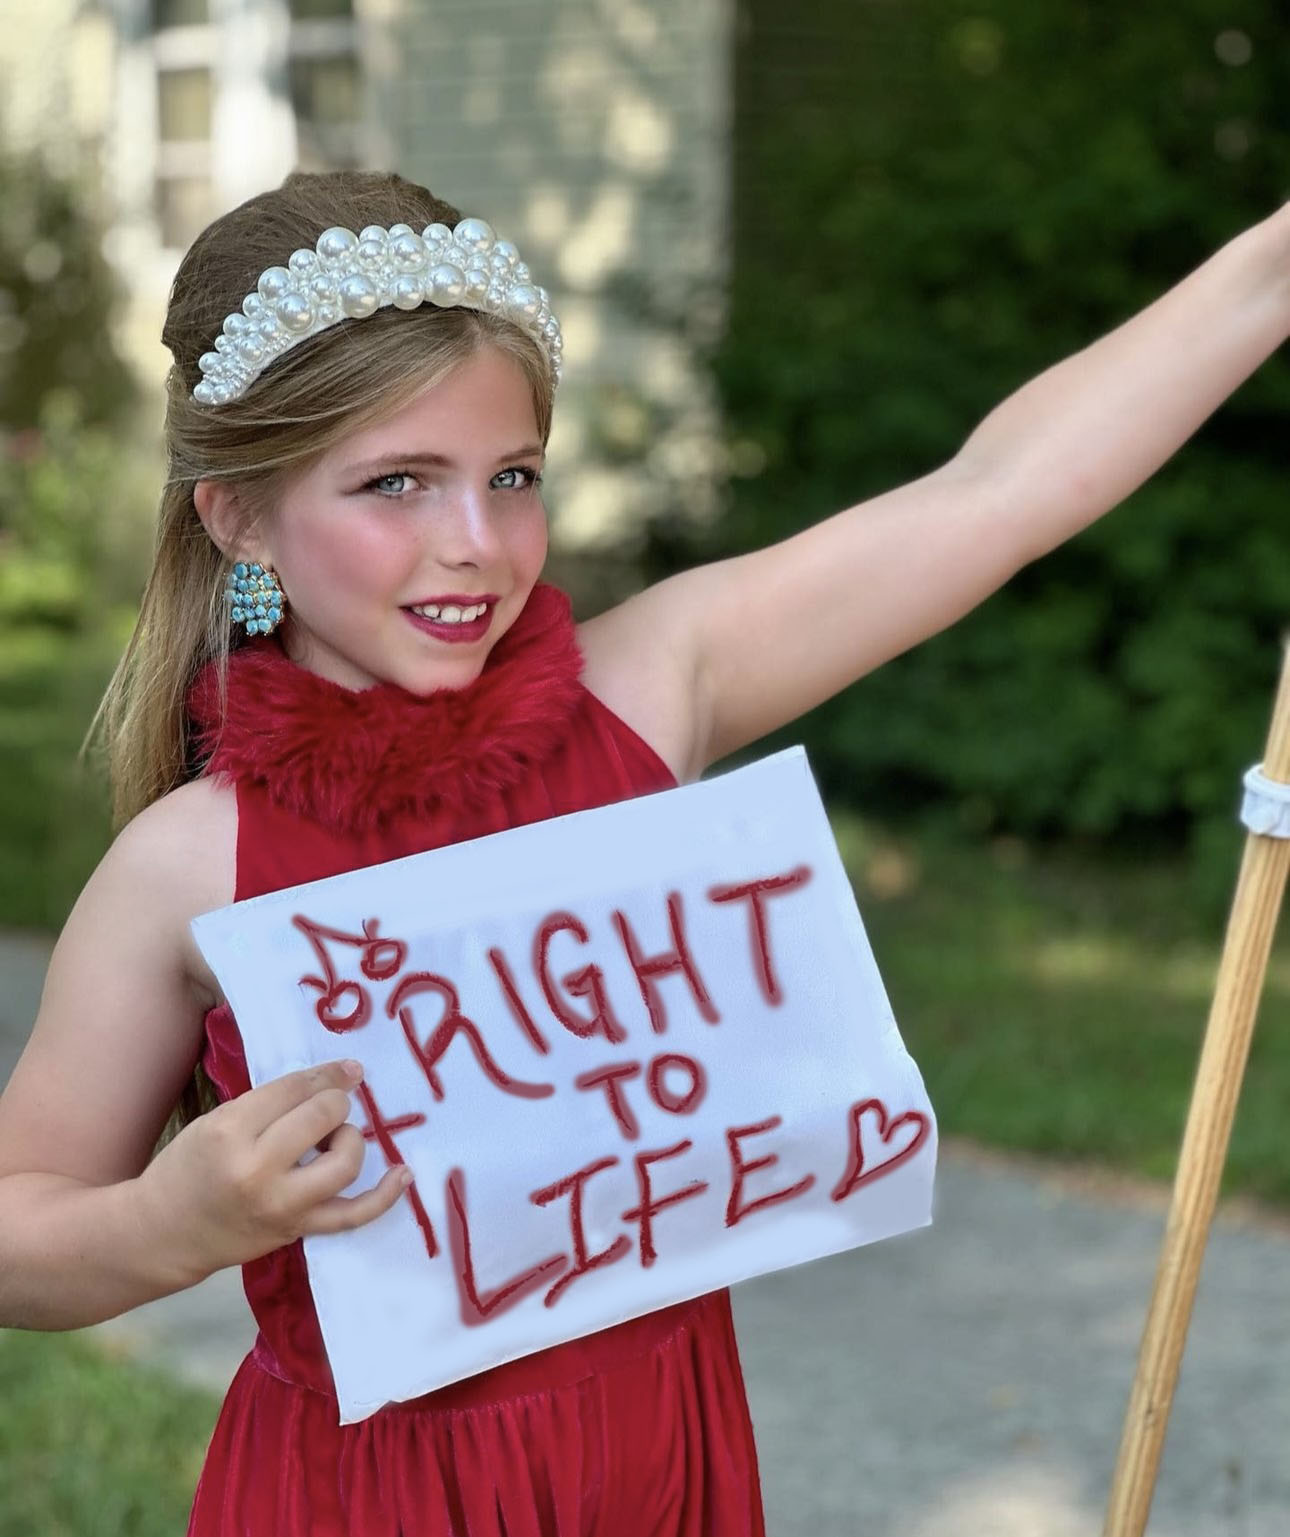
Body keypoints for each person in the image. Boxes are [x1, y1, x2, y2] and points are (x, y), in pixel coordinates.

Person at [0, 165, 1286, 1534]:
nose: (475, 546)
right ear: (239, 517)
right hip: (367, 1500)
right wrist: (175, 1221)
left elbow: (998, 491)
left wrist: (1271, 268)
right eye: (396, 484)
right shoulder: (186, 864)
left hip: (661, 1465)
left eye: (511, 476)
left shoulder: (652, 685)